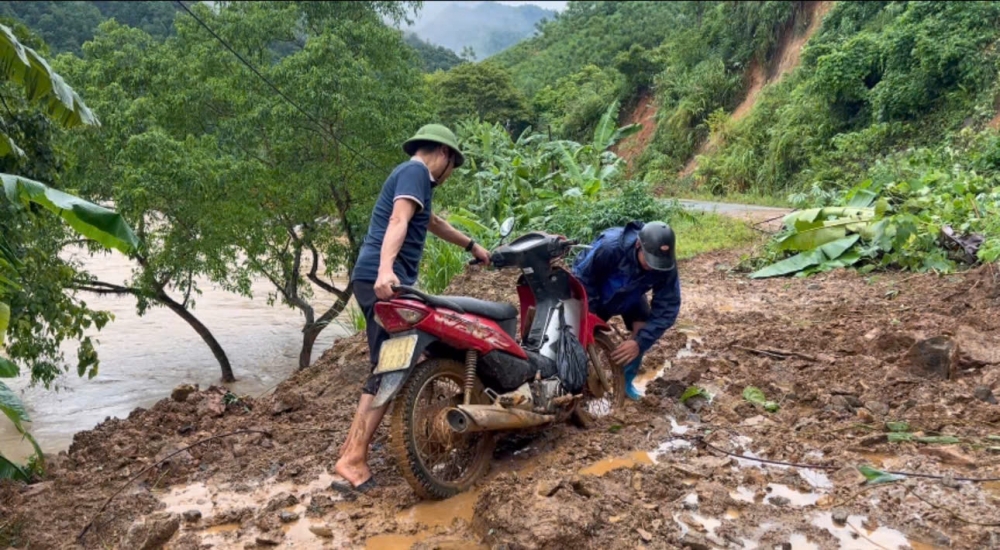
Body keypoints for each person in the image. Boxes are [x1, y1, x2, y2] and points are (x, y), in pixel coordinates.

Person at [332, 124, 490, 494]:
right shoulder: (416, 171)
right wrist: (387, 269)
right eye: (453, 168)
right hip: (384, 279)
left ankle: (351, 452)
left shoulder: (415, 179)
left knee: (387, 364)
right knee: (394, 365)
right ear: (445, 155)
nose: (449, 177)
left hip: (383, 279)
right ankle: (353, 458)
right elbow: (398, 220)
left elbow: (431, 222)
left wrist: (473, 247)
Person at [571, 221, 681, 401]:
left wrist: (639, 342)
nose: (654, 267)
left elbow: (667, 306)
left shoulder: (665, 265)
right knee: (583, 335)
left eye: (658, 263)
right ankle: (580, 381)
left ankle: (625, 383)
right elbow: (582, 277)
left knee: (641, 328)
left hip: (632, 292)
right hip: (594, 292)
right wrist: (591, 315)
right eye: (650, 261)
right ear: (638, 245)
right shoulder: (610, 247)